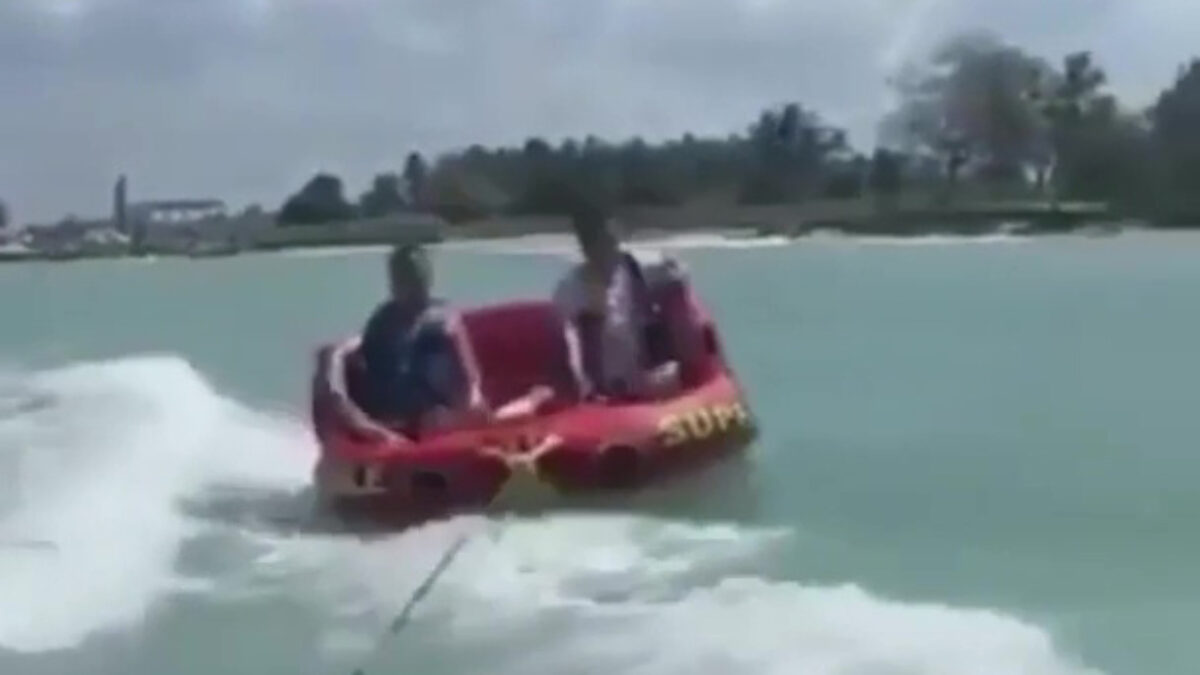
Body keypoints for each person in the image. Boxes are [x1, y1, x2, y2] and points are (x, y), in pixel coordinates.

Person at [355, 244, 550, 441]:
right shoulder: (383, 323)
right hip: (408, 412)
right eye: (405, 280)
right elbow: (374, 378)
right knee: (441, 419)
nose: (412, 287)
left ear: (427, 280)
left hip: (442, 407)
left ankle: (530, 402)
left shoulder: (443, 315)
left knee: (476, 414)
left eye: (418, 279)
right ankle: (528, 403)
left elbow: (467, 366)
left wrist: (472, 397)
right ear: (393, 283)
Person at [552, 209, 688, 402]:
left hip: (648, 378)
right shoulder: (572, 287)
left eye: (601, 235)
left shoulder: (642, 268)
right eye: (589, 238)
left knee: (670, 373)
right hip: (605, 390)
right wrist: (582, 386)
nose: (597, 245)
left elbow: (678, 278)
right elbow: (570, 343)